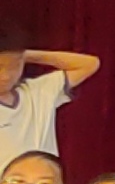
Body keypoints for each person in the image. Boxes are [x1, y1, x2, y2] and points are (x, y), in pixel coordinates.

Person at [0, 31, 102, 166]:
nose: (6, 75)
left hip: (46, 177)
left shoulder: (39, 91)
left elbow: (90, 64)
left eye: (14, 66)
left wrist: (26, 55)